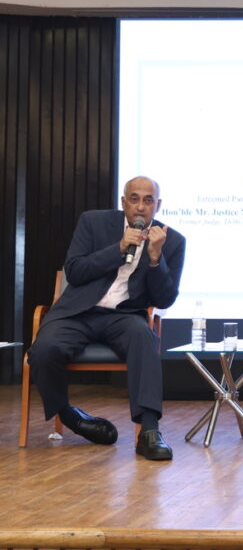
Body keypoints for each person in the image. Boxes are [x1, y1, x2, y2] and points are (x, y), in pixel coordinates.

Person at [29, 176, 185, 461]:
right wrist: (119, 248)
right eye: (134, 199)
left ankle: (149, 431)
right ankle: (71, 417)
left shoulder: (172, 241)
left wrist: (155, 259)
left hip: (124, 316)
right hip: (77, 313)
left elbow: (164, 299)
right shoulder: (93, 222)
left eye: (148, 200)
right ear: (124, 202)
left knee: (144, 338)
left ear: (158, 205)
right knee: (43, 350)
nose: (141, 207)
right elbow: (75, 271)